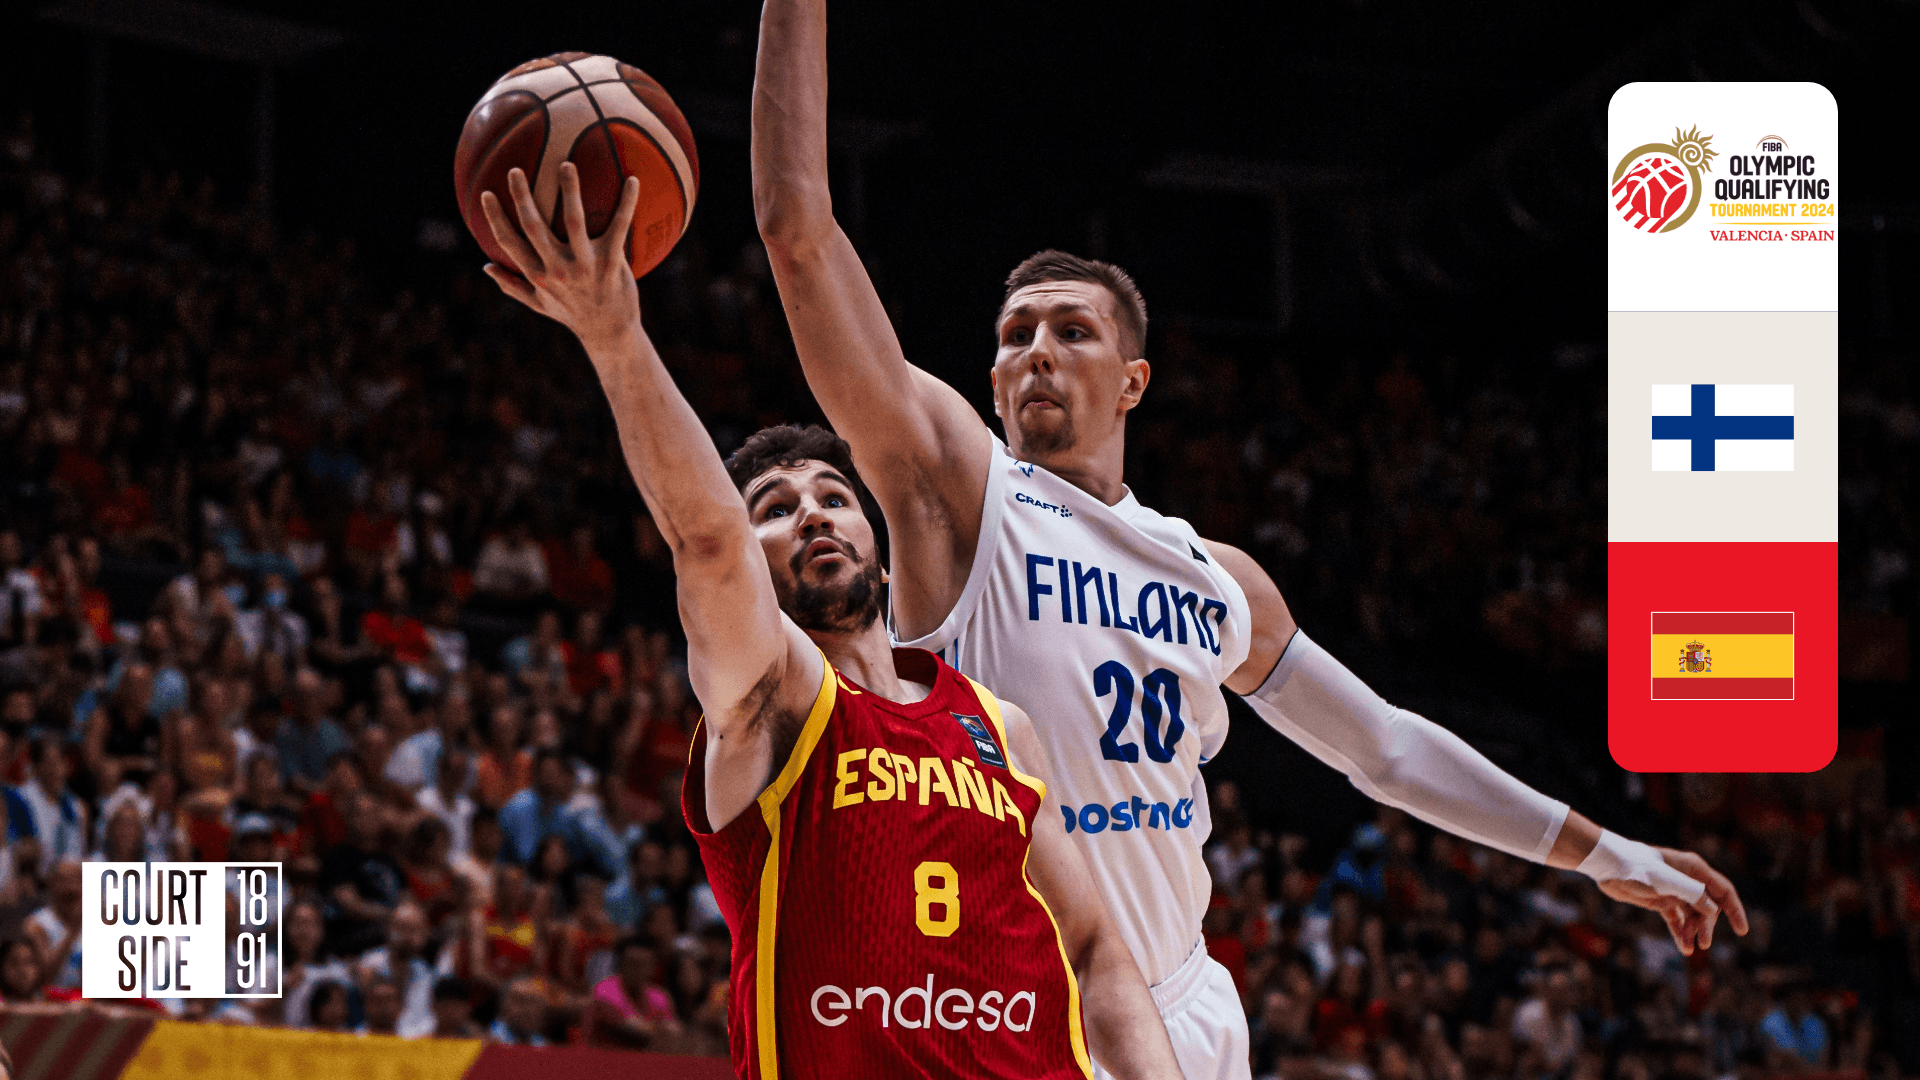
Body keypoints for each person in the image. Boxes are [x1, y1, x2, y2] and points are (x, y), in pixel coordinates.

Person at [746, 4, 1750, 1076]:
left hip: (1184, 1005)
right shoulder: (961, 498)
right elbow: (799, 235)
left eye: (1072, 331)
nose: (1036, 350)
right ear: (989, 382)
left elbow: (1384, 749)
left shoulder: (1214, 576)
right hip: (1014, 1010)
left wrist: (1603, 852)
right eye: (1014, 335)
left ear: (1132, 381)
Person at [478, 161, 1181, 1079]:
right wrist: (615, 337)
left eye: (834, 497)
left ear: (881, 552)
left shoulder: (998, 726)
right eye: (774, 510)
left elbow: (1094, 951)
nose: (811, 513)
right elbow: (707, 540)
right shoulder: (770, 698)